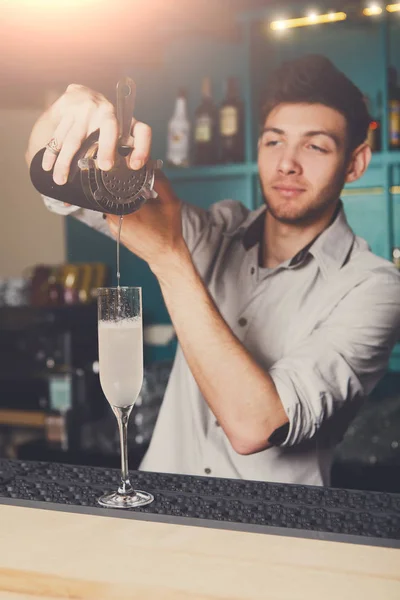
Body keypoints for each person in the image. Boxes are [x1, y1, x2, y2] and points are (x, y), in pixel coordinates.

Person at [26, 55, 400, 486]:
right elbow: (54, 183)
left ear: (355, 163)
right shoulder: (215, 231)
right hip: (158, 515)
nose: (287, 164)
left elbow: (257, 426)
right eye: (274, 141)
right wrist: (68, 115)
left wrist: (170, 258)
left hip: (273, 534)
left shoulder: (372, 287)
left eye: (315, 146)